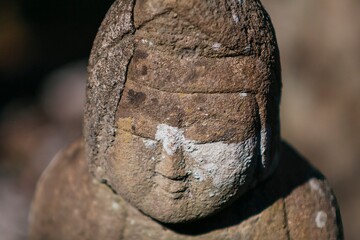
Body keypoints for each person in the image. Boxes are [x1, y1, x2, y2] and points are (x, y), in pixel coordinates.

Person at [29, 0, 343, 239]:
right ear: (100, 127)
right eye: (143, 134)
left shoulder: (298, 208)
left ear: (263, 137)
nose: (172, 165)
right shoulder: (69, 192)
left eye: (208, 134)